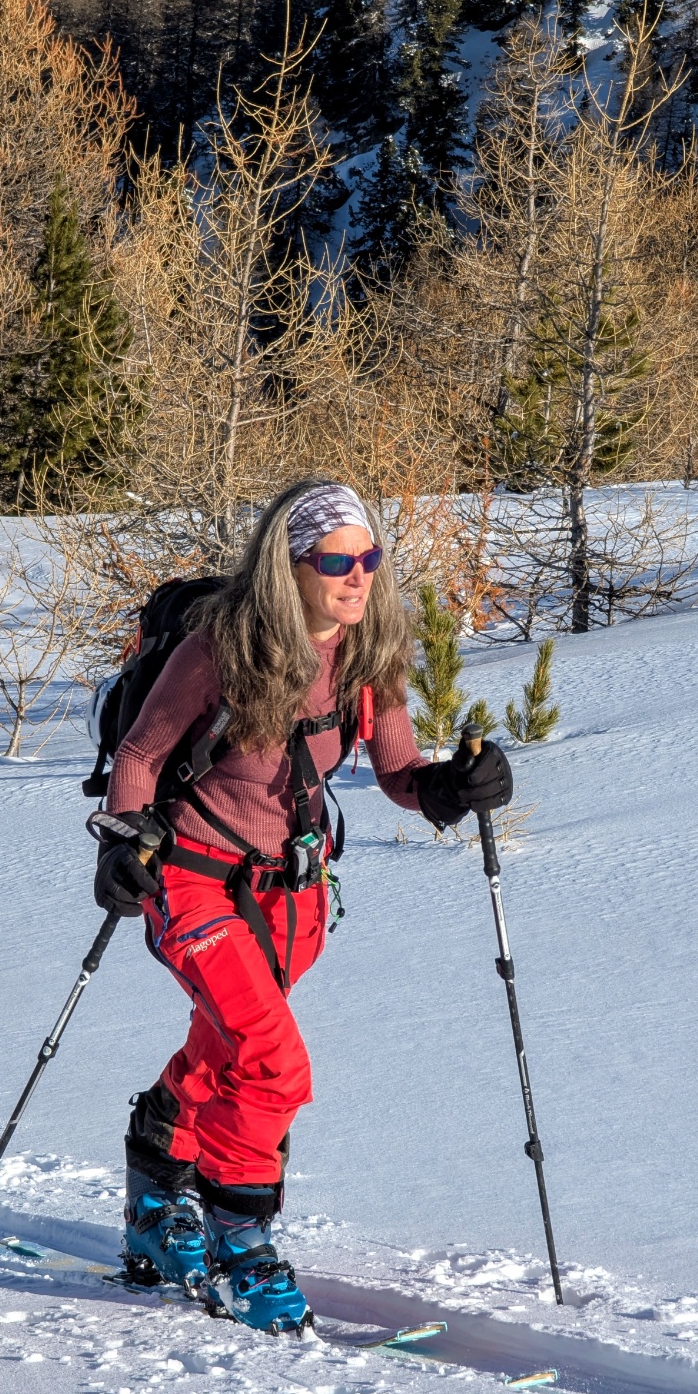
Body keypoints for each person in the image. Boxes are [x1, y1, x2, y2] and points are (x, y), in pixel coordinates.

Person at [94, 477, 512, 1334]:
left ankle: (154, 1196)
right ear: (290, 567)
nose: (358, 576)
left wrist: (456, 786)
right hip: (193, 880)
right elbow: (140, 753)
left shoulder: (368, 656)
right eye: (335, 560)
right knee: (273, 1060)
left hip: (295, 897)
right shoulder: (220, 648)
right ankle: (240, 1238)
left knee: (228, 1052)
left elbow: (400, 777)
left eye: (369, 557)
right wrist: (119, 844)